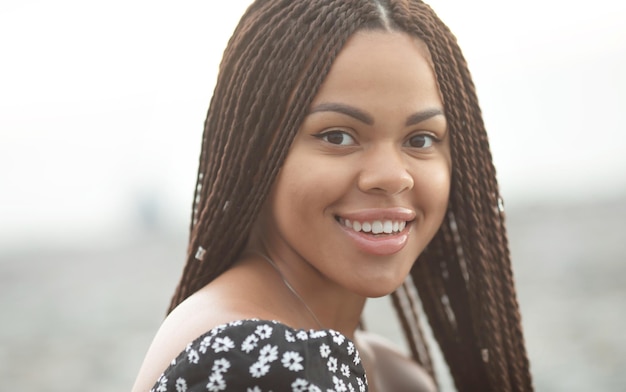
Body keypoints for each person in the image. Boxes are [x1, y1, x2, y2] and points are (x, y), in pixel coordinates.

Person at [132, 1, 533, 391]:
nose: (392, 177)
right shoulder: (257, 365)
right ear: (253, 152)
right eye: (337, 136)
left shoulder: (391, 374)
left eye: (420, 139)